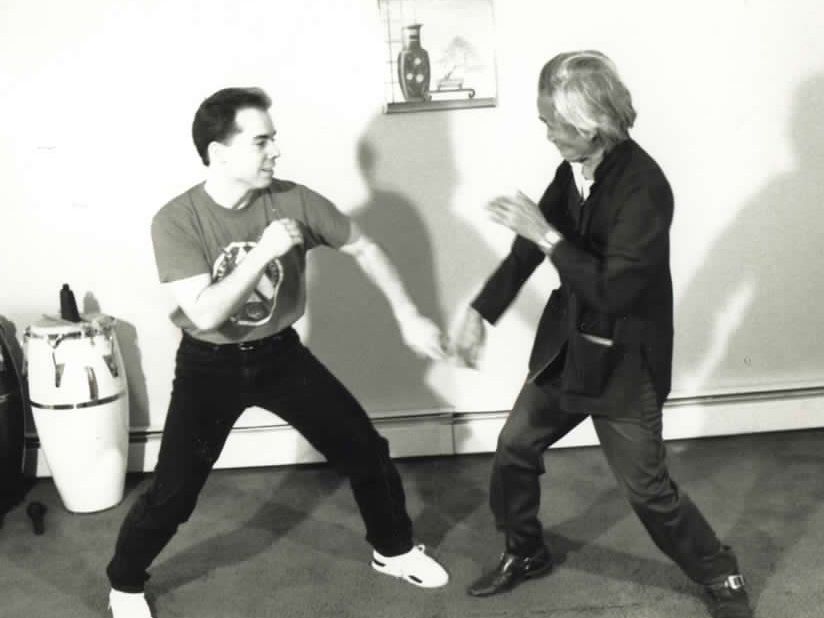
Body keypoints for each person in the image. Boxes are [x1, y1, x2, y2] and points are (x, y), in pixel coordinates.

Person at [106, 87, 450, 618]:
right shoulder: (176, 220)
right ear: (219, 153)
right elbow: (204, 313)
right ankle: (125, 584)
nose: (276, 151)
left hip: (280, 356)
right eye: (261, 141)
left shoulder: (294, 199)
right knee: (174, 493)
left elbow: (363, 247)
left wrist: (407, 313)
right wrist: (264, 251)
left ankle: (394, 549)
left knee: (365, 450)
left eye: (274, 139)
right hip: (209, 365)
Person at [454, 51, 752, 618]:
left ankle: (720, 571)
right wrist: (480, 313)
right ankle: (525, 550)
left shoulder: (644, 188)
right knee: (514, 447)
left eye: (554, 124)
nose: (547, 134)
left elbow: (614, 292)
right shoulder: (572, 171)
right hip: (571, 348)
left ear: (589, 124)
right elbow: (528, 249)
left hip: (624, 363)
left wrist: (546, 234)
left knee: (648, 492)